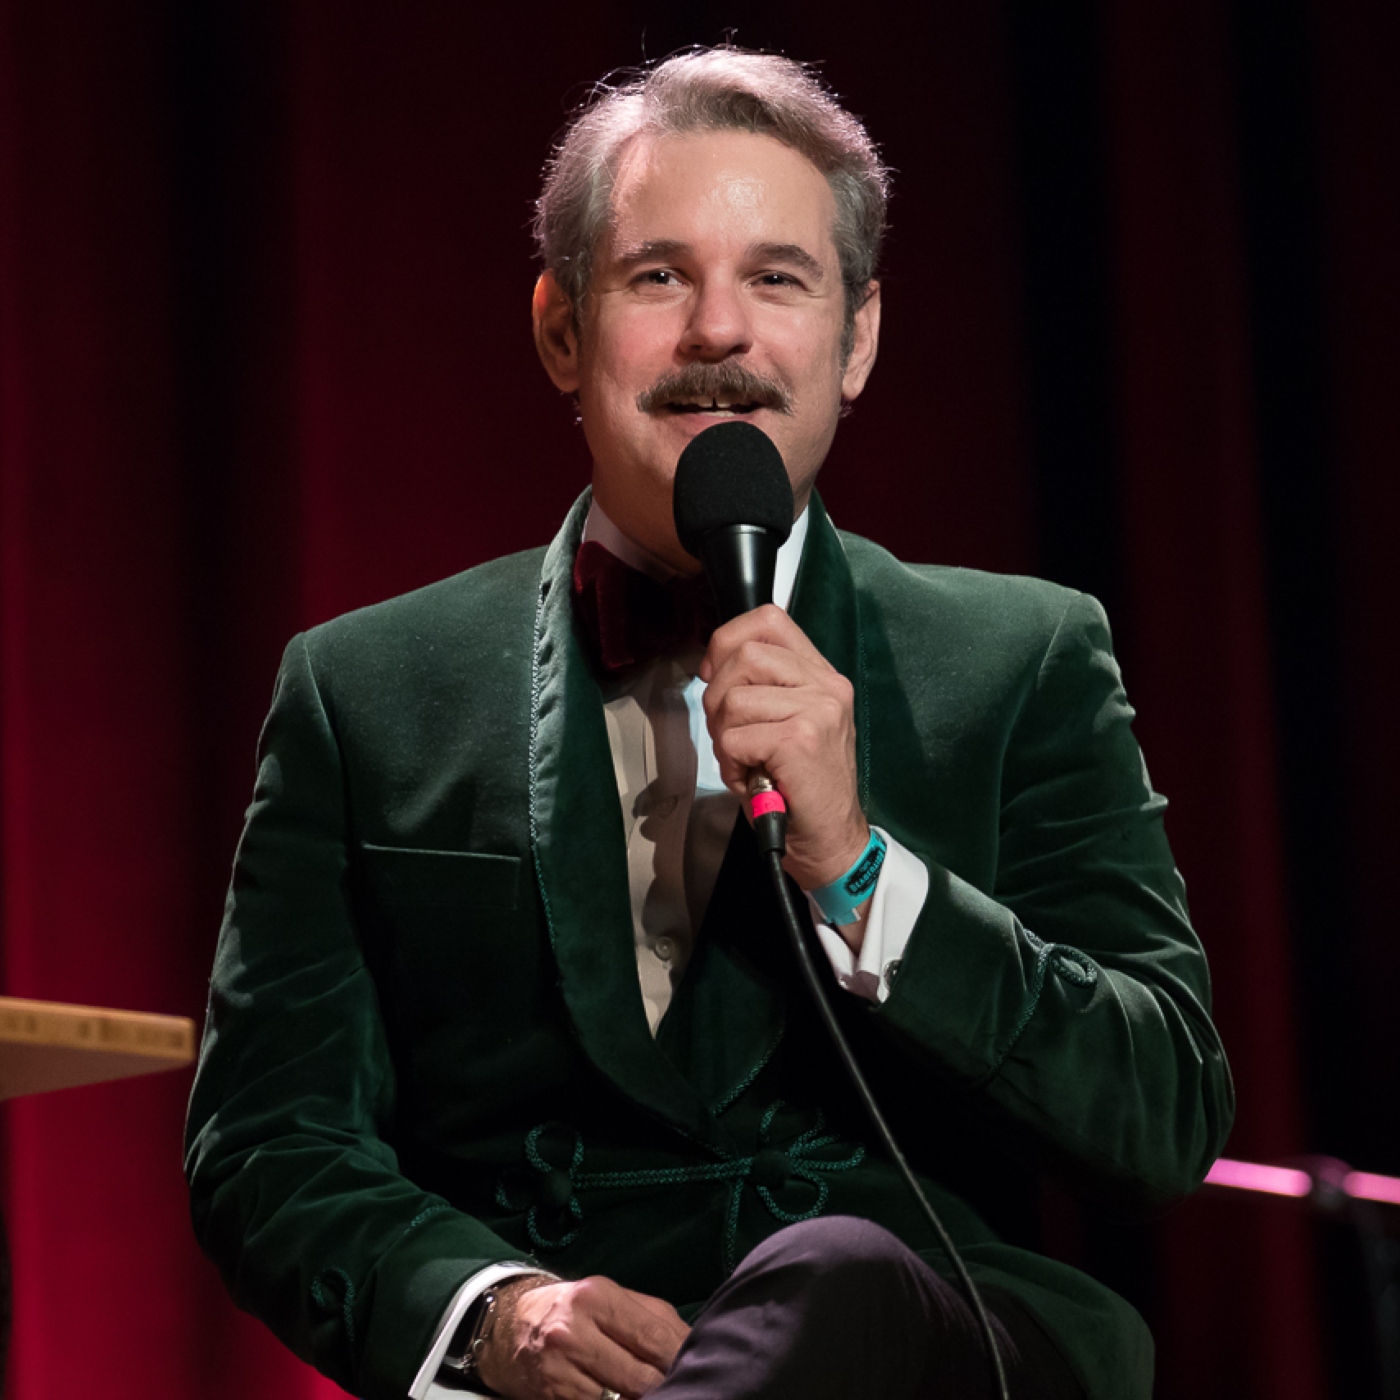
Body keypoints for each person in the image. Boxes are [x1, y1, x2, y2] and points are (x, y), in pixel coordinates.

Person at [185, 48, 1233, 1400]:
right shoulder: (363, 690)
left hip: (932, 1353)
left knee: (839, 1273)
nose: (718, 334)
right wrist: (495, 1312)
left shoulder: (1026, 655)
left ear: (857, 339)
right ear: (562, 331)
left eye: (779, 278)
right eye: (659, 276)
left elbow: (1163, 1114)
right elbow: (266, 1143)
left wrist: (862, 869)